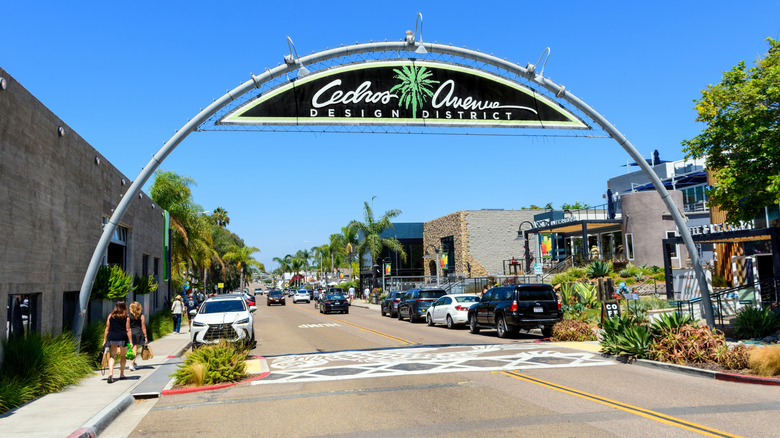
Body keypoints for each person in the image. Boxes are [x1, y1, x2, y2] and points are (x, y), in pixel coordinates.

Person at [102, 301, 132, 384]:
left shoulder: (110, 316)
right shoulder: (126, 317)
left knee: (112, 356)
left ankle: (111, 374)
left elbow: (107, 328)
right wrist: (131, 341)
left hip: (112, 337)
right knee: (123, 356)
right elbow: (128, 330)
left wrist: (104, 339)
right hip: (122, 337)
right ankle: (121, 374)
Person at [127, 301, 148, 371]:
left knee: (131, 348)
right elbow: (143, 327)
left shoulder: (128, 316)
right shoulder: (141, 316)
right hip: (137, 333)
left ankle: (133, 362)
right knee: (135, 349)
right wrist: (145, 336)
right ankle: (132, 364)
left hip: (129, 333)